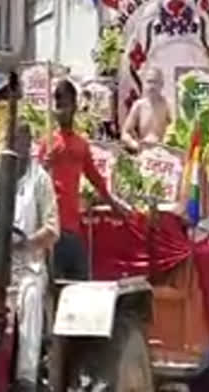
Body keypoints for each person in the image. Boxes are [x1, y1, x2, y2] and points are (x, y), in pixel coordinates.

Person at [0, 121, 59, 391]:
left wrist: (24, 244)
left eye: (20, 141)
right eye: (10, 141)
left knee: (31, 299)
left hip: (27, 266)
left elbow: (52, 228)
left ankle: (25, 377)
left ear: (28, 143)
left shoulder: (40, 180)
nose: (15, 147)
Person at [39, 79, 129, 280]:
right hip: (51, 226)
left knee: (79, 283)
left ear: (74, 107)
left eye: (65, 105)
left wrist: (114, 205)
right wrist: (45, 165)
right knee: (53, 285)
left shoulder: (81, 145)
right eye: (58, 105)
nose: (60, 110)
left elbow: (96, 179)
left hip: (72, 227)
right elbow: (33, 181)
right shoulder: (48, 142)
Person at [121, 67, 172, 152]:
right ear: (144, 84)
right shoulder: (139, 105)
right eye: (149, 82)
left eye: (155, 82)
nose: (152, 86)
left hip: (163, 151)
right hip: (144, 151)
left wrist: (166, 144)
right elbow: (125, 133)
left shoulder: (167, 105)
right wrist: (135, 145)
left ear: (162, 84)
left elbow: (175, 128)